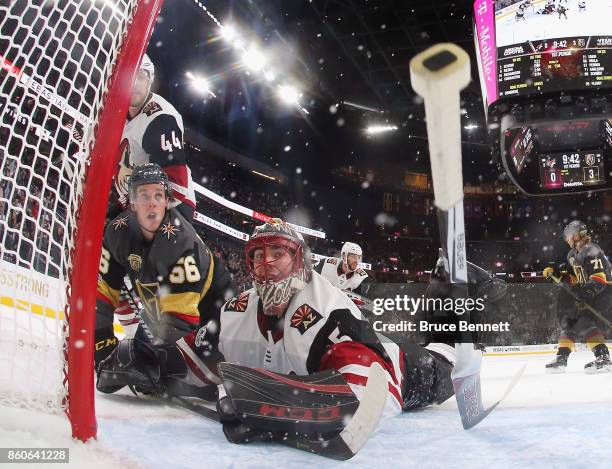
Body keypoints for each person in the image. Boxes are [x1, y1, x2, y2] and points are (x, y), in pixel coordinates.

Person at [171, 218, 457, 442]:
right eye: (258, 255)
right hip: (359, 338)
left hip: (401, 369)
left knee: (446, 364)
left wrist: (275, 408)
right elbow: (190, 359)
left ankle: (453, 301)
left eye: (277, 253)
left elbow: (372, 396)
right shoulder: (236, 312)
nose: (266, 264)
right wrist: (148, 359)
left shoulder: (326, 314)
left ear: (297, 261)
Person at [94, 163, 232, 395]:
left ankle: (196, 381)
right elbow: (102, 297)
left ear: (167, 201)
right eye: (144, 195)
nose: (152, 202)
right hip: (160, 309)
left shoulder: (180, 241)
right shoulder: (116, 234)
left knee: (180, 372)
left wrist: (152, 361)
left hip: (213, 311)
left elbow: (179, 322)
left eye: (158, 194)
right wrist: (102, 347)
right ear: (132, 202)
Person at [111, 54, 196, 222]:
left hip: (172, 209)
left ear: (150, 80)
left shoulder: (161, 118)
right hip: (134, 203)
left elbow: (175, 186)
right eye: (128, 77)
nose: (133, 84)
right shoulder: (115, 110)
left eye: (140, 76)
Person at [543, 220, 611, 374]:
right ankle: (561, 358)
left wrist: (585, 293)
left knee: (584, 322)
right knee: (570, 320)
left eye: (568, 235)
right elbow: (575, 279)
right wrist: (556, 274)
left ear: (575, 235)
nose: (566, 239)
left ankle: (604, 358)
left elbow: (599, 278)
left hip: (604, 292)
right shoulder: (573, 255)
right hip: (590, 292)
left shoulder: (591, 250)